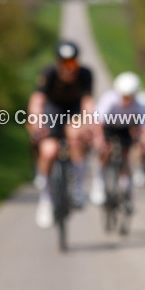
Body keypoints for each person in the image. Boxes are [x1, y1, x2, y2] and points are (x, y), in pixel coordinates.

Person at [28, 40, 95, 227]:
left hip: (74, 110)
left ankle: (79, 189)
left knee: (76, 137)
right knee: (49, 151)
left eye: (72, 63)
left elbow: (88, 102)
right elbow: (37, 100)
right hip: (53, 109)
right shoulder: (48, 72)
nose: (68, 69)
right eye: (64, 63)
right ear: (57, 63)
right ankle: (46, 199)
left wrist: (89, 124)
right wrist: (37, 122)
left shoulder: (85, 74)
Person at [90, 72, 145, 213]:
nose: (126, 99)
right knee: (104, 152)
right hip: (108, 127)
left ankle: (126, 192)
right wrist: (99, 141)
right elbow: (98, 124)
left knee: (126, 157)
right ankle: (99, 183)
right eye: (124, 96)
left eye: (130, 96)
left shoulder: (139, 105)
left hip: (125, 129)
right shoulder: (109, 100)